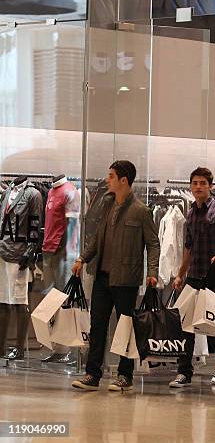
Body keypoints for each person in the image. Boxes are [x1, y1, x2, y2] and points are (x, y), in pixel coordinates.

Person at [71, 160, 160, 392]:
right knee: (97, 324)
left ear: (123, 180)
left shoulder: (141, 210)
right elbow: (96, 239)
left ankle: (125, 375)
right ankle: (92, 374)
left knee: (125, 327)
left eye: (111, 176)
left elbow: (153, 244)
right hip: (102, 275)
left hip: (126, 278)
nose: (107, 179)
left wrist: (152, 272)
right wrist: (82, 259)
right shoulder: (106, 205)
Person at [169, 167, 215, 388]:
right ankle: (184, 372)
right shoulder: (190, 213)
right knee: (185, 324)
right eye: (195, 183)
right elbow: (188, 249)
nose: (198, 187)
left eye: (202, 183)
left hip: (214, 276)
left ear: (210, 186)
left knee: (212, 325)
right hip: (194, 276)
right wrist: (180, 275)